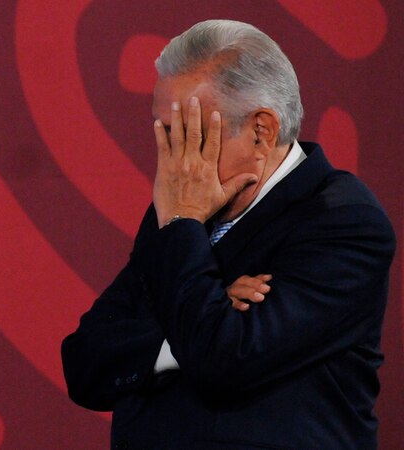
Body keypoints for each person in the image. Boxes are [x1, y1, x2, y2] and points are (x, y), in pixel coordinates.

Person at [61, 19, 395, 449]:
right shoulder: (180, 209)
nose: (171, 163)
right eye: (163, 136)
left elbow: (222, 361)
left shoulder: (343, 222)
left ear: (261, 131)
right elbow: (85, 361)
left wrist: (183, 234)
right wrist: (190, 331)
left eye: (186, 136)